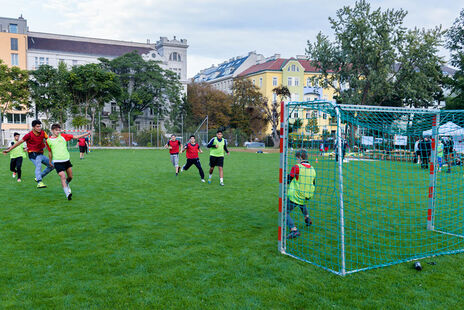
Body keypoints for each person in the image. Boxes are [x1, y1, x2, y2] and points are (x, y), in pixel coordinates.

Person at [3, 120, 53, 188]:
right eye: (37, 126)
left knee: (52, 165)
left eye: (40, 126)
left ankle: (39, 176)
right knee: (39, 166)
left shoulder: (43, 133)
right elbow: (19, 142)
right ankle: (39, 182)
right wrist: (9, 150)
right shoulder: (28, 135)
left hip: (40, 154)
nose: (39, 128)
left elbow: (49, 141)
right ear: (33, 127)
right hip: (32, 154)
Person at [47, 124, 90, 200]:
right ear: (52, 131)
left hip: (66, 160)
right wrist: (50, 161)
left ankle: (66, 184)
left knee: (70, 177)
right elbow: (50, 152)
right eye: (56, 130)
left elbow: (75, 137)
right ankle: (67, 194)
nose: (58, 131)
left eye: (59, 130)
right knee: (62, 176)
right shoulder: (48, 140)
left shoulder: (63, 136)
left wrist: (85, 134)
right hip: (57, 161)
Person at [286, 149, 316, 239]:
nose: (296, 160)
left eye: (297, 158)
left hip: (296, 195)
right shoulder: (312, 169)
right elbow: (313, 183)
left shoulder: (297, 167)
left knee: (284, 212)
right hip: (307, 195)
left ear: (299, 158)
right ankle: (307, 218)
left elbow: (288, 180)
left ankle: (294, 230)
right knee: (301, 204)